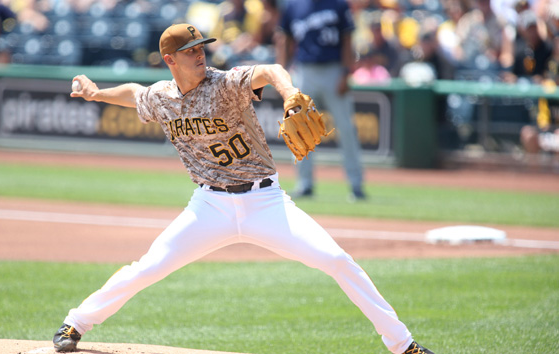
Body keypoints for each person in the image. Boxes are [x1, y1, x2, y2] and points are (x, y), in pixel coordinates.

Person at [52, 23, 435, 354]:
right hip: (208, 207)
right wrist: (96, 92)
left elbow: (272, 69)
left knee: (336, 261)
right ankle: (76, 323)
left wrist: (288, 94)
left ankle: (402, 344)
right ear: (170, 60)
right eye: (190, 51)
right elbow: (136, 93)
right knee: (147, 268)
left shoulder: (225, 84)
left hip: (264, 201)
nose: (200, 55)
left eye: (202, 47)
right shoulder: (163, 97)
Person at [275, 0, 366, 201]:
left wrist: (345, 72)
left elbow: (347, 38)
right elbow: (284, 39)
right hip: (305, 71)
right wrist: (281, 72)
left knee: (347, 128)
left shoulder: (338, 4)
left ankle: (356, 184)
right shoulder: (293, 6)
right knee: (300, 128)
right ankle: (304, 183)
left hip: (334, 70)